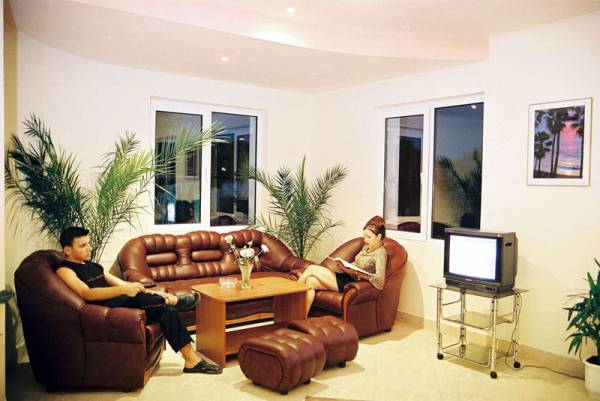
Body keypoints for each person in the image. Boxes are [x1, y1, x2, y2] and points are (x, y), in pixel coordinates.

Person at [55, 227, 222, 374]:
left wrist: (145, 290)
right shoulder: (65, 270)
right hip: (104, 308)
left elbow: (121, 284)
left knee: (167, 311)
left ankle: (191, 360)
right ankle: (178, 302)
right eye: (83, 245)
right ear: (67, 250)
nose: (89, 248)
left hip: (118, 299)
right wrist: (124, 290)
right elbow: (87, 293)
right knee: (138, 296)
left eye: (89, 243)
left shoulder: (93, 266)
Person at [297, 216, 388, 312]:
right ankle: (300, 316)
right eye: (364, 236)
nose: (365, 239)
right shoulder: (366, 247)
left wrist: (356, 273)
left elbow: (380, 281)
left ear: (379, 237)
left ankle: (290, 296)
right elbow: (358, 264)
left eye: (369, 237)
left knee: (311, 268)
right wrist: (345, 266)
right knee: (310, 282)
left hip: (351, 282)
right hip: (346, 275)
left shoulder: (381, 253)